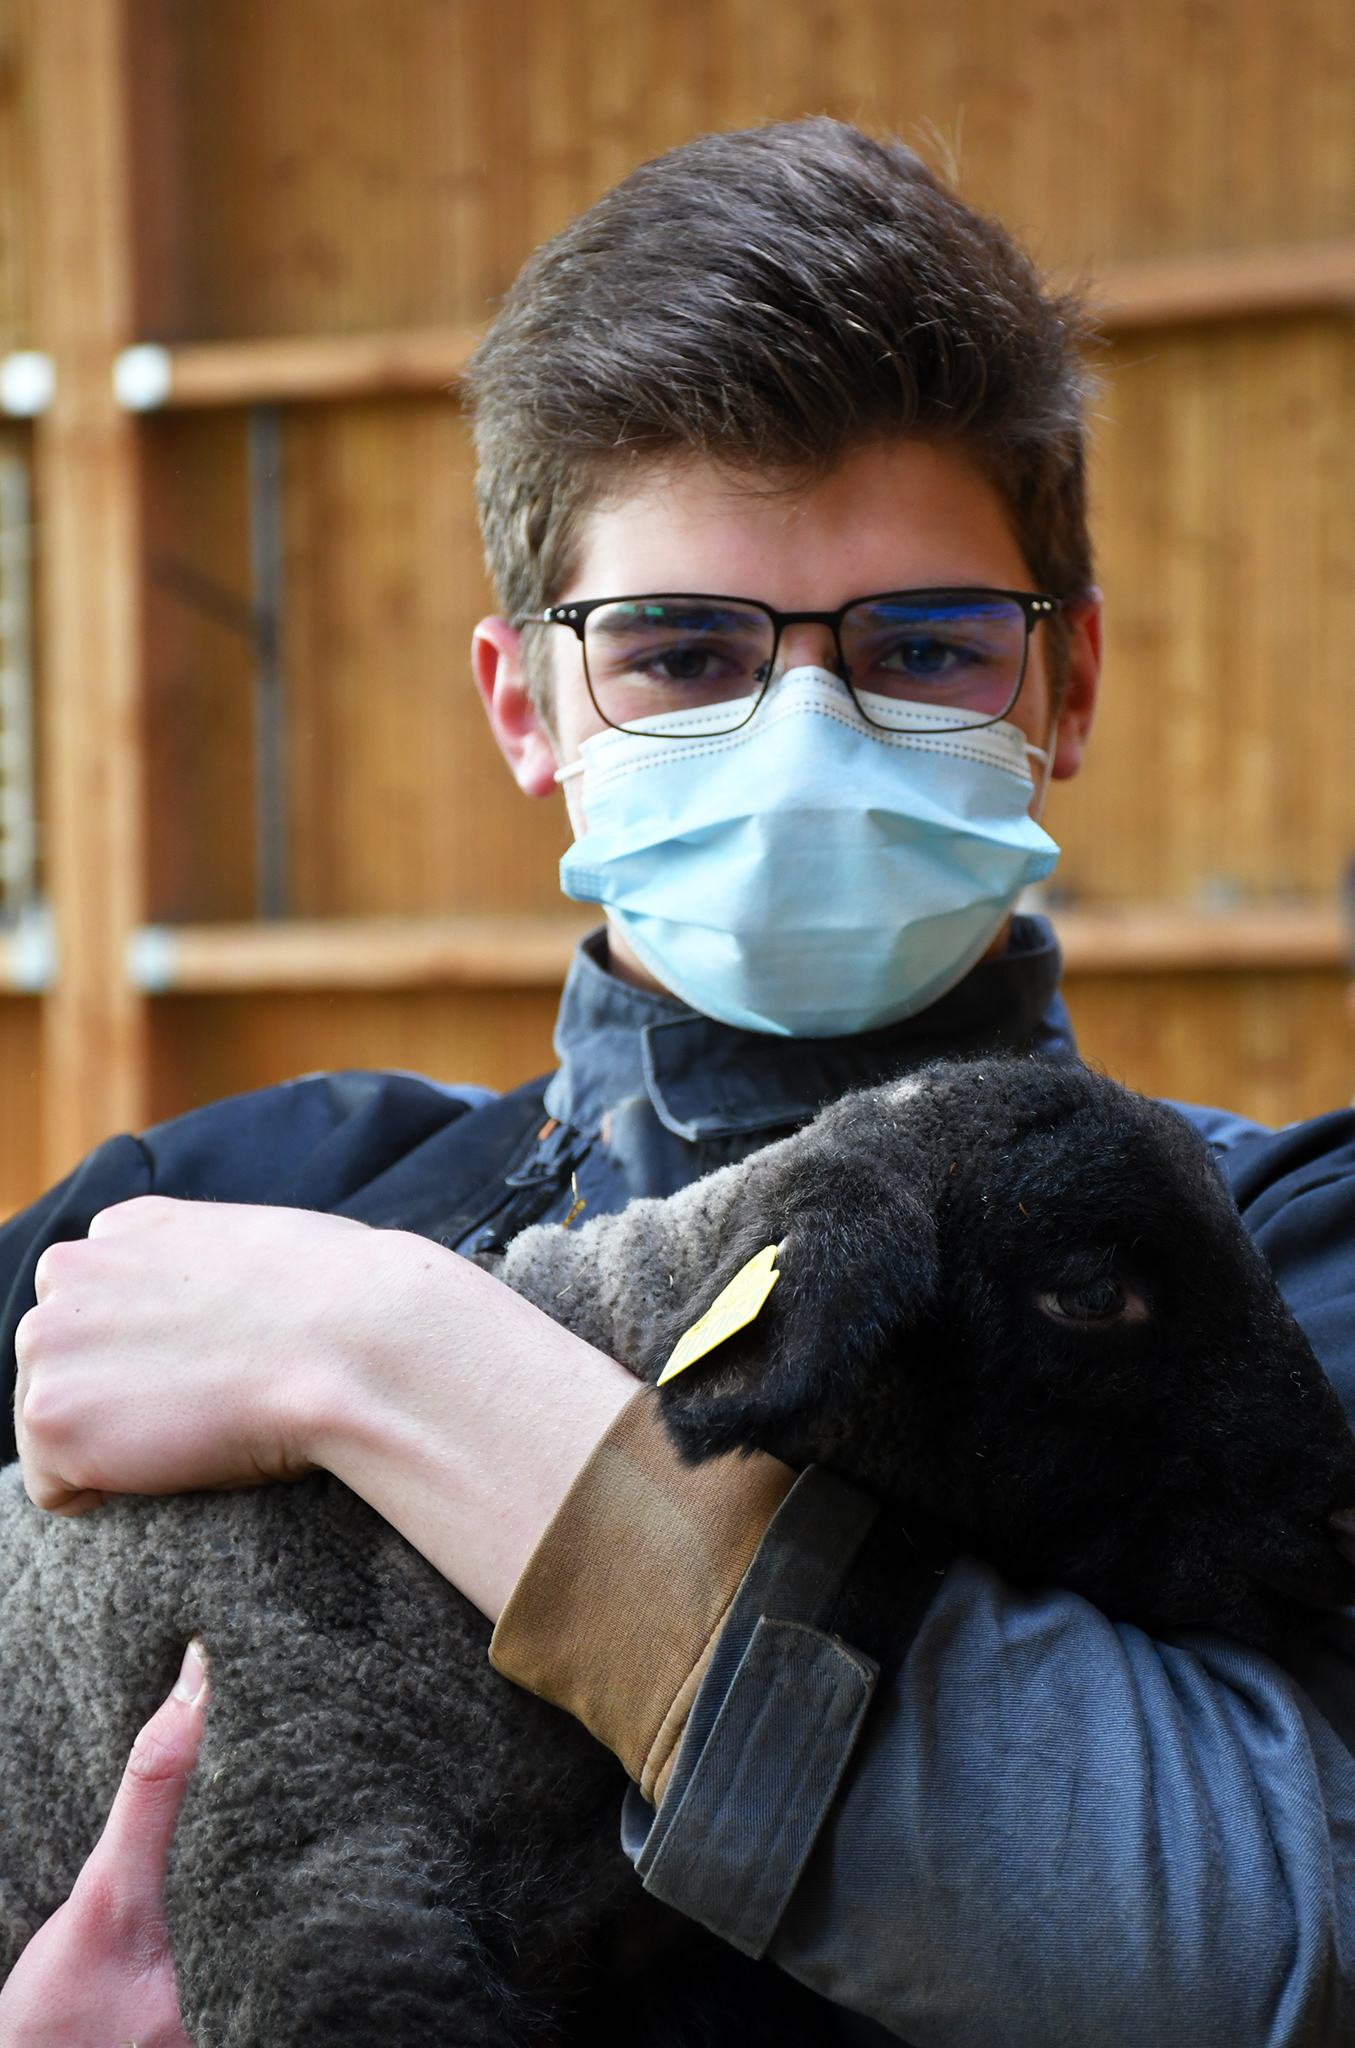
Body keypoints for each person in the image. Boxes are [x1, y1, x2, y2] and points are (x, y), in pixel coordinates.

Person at [5, 118, 1355, 2046]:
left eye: (929, 644)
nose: (803, 727)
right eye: (681, 650)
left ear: (1066, 688)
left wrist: (392, 1360)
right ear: (525, 706)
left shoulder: (1278, 1259)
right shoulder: (189, 1215)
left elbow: (1254, 1943)